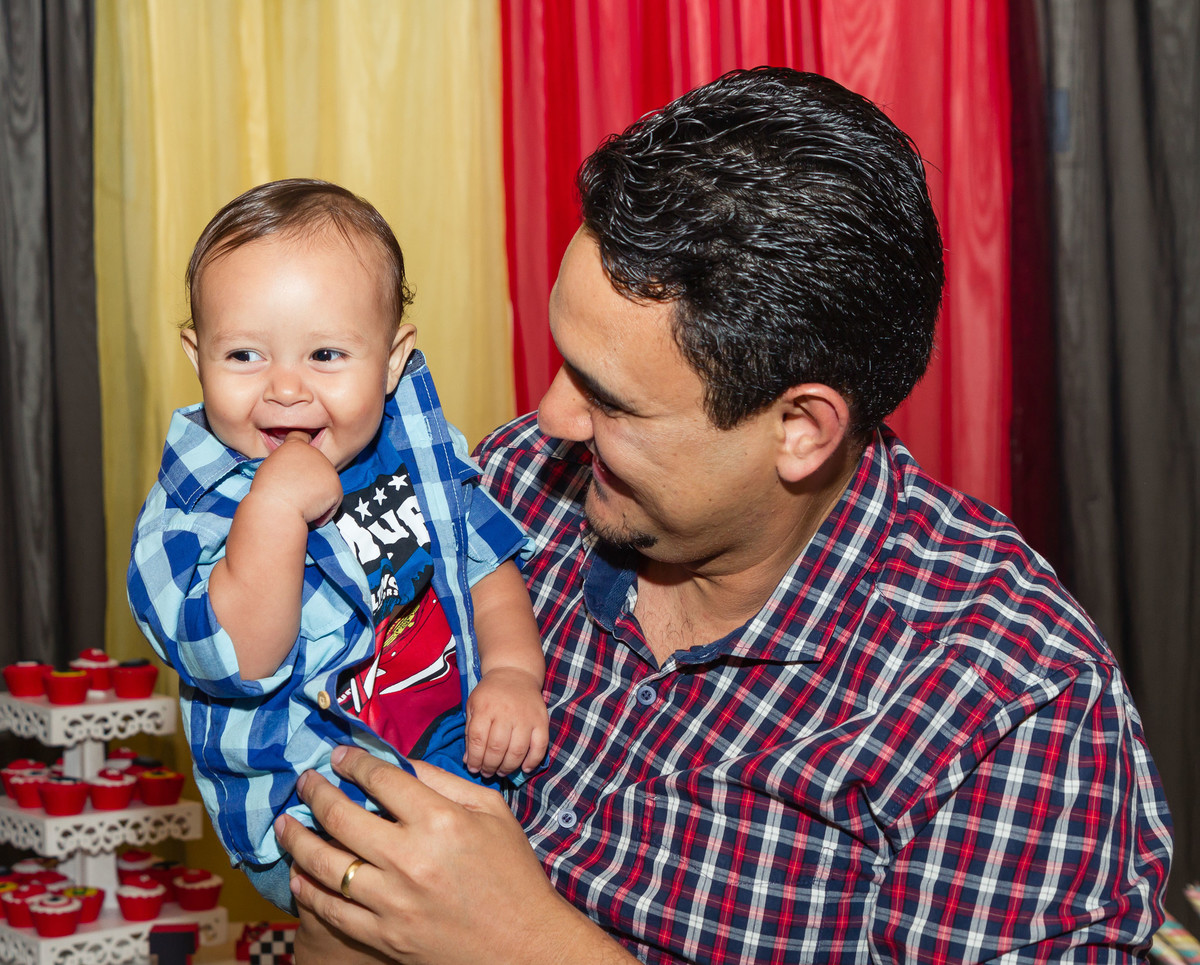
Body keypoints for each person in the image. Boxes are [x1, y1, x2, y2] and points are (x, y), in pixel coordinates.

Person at [275, 69, 1173, 964]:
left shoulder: (1009, 703)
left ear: (800, 429)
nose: (549, 417)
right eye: (563, 362)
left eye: (611, 400)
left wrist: (527, 946)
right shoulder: (512, 493)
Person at [127, 179, 548, 911]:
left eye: (325, 354)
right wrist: (275, 508)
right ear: (198, 356)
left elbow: (479, 564)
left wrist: (512, 673)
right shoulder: (190, 509)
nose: (285, 389)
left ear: (390, 361)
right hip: (313, 810)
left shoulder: (413, 451)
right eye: (244, 356)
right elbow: (239, 661)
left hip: (451, 752)